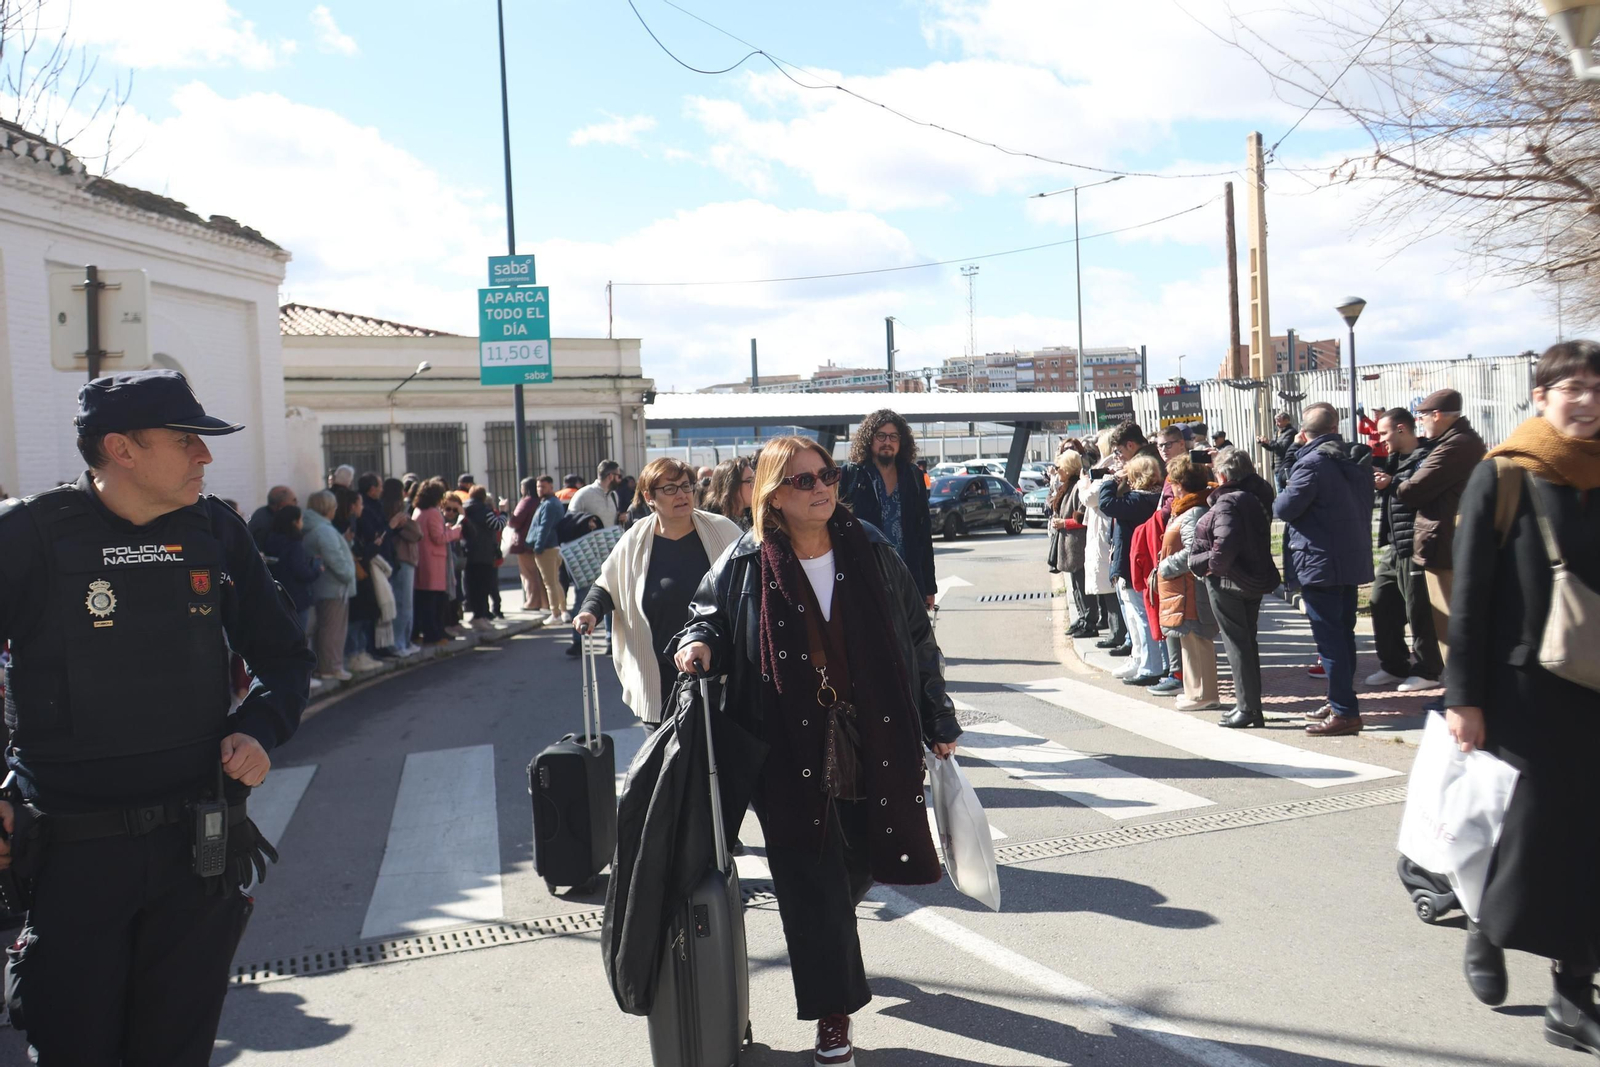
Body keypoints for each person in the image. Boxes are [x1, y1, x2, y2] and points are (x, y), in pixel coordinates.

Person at [0, 369, 311, 1064]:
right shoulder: (27, 535)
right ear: (122, 449)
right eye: (186, 440)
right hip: (72, 859)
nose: (205, 456)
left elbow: (286, 660)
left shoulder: (216, 531)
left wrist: (260, 728)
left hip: (194, 853)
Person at [674, 435, 959, 1067]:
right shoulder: (746, 561)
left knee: (854, 866)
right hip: (784, 745)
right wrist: (697, 643)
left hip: (873, 736)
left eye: (826, 475)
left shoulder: (873, 550)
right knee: (810, 882)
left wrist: (938, 714)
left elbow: (917, 636)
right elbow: (705, 616)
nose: (822, 487)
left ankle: (834, 936)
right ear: (773, 494)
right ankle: (833, 1020)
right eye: (804, 480)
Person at [1444, 340, 1600, 1050]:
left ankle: (1573, 995)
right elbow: (1470, 595)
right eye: (1573, 386)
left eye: (1599, 387)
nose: (1588, 399)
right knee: (1532, 833)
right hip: (1522, 693)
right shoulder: (1505, 474)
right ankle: (1488, 922)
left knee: (1591, 841)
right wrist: (1463, 697)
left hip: (1596, 690)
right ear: (1541, 395)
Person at [574, 458, 742, 724]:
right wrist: (589, 612)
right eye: (670, 489)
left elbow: (748, 584)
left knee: (714, 761)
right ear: (649, 497)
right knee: (661, 763)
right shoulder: (635, 538)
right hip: (657, 676)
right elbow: (607, 584)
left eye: (686, 486)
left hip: (716, 675)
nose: (682, 495)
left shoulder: (722, 530)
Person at [1273, 402, 1376, 736]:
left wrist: (1289, 460)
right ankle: (1339, 700)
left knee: (1330, 640)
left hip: (1320, 561)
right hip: (1348, 558)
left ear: (1304, 434)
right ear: (1335, 428)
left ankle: (1345, 711)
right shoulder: (1354, 459)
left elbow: (1284, 508)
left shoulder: (1311, 464)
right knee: (1343, 637)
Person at [1399, 388, 1487, 703]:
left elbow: (1412, 489)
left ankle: (1460, 696)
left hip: (1444, 541)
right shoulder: (1457, 441)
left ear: (1437, 415)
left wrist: (1398, 484)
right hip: (1444, 539)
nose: (1419, 424)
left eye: (1421, 417)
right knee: (1448, 624)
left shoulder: (1455, 445)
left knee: (1450, 626)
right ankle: (1458, 692)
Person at [1188, 448, 1279, 728]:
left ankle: (1248, 708)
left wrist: (1201, 563)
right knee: (1246, 643)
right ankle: (1251, 707)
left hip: (1229, 581)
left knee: (1238, 645)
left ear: (1224, 475)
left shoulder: (1229, 503)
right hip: (1249, 578)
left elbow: (1223, 549)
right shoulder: (1256, 494)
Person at [1369, 408, 1442, 692]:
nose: (1381, 438)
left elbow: (1423, 490)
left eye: (1385, 432)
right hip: (1394, 545)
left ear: (1401, 429)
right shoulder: (1392, 459)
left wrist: (1392, 482)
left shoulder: (1428, 456)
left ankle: (1427, 670)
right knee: (1381, 601)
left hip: (1416, 544)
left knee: (1418, 609)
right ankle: (1394, 665)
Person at [839, 409, 937, 608]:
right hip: (866, 579)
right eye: (881, 436)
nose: (887, 442)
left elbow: (923, 534)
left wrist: (929, 586)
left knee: (911, 638)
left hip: (908, 577)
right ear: (869, 439)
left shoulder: (913, 477)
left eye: (893, 436)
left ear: (901, 441)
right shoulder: (852, 475)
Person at [1155, 455, 1220, 712]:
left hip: (1190, 589)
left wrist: (1165, 567)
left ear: (1181, 483)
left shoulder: (1193, 511)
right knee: (1191, 641)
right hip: (1185, 588)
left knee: (1196, 640)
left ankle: (1203, 694)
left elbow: (1194, 550)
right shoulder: (1189, 508)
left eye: (1173, 480)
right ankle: (1197, 692)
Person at [1099, 453, 1166, 683]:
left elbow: (1106, 504)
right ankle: (1139, 659)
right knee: (1134, 617)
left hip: (1133, 566)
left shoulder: (1140, 500)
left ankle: (1151, 666)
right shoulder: (1149, 498)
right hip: (1131, 563)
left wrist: (1110, 481)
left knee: (1141, 617)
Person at [303, 490, 356, 678]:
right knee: (333, 630)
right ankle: (331, 668)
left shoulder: (312, 526)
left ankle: (324, 666)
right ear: (327, 508)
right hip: (334, 588)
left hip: (321, 587)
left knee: (324, 629)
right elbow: (335, 558)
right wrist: (350, 574)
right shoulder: (324, 530)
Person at [1081, 431, 1125, 652]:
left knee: (1111, 586)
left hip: (1106, 530)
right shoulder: (1106, 467)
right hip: (1102, 529)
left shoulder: (1109, 470)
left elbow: (1089, 497)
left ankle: (1118, 634)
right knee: (1108, 587)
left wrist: (1084, 482)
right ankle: (1116, 632)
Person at [412, 480, 463, 646]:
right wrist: (455, 532)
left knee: (424, 599)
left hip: (422, 558)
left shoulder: (418, 510)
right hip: (434, 560)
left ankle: (426, 632)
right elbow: (438, 538)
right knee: (434, 601)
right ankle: (434, 634)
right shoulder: (433, 512)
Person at [263, 505, 322, 635]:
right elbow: (301, 571)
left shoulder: (270, 540)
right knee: (299, 635)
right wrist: (317, 569)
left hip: (278, 595)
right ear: (295, 522)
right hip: (297, 597)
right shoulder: (295, 544)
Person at [380, 478, 422, 655]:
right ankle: (397, 643)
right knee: (402, 603)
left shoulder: (397, 509)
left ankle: (404, 641)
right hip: (401, 558)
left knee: (406, 603)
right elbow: (416, 533)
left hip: (405, 558)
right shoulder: (392, 510)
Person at [462, 484, 505, 631]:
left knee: (472, 586)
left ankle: (477, 616)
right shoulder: (485, 511)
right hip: (484, 553)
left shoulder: (464, 509)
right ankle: (480, 616)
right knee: (483, 586)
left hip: (468, 552)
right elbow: (498, 525)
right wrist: (504, 512)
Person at [528, 475, 568, 624]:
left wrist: (538, 546)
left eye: (543, 487)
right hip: (553, 546)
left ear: (551, 487)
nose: (539, 489)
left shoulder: (549, 504)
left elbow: (544, 527)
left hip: (547, 548)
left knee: (550, 583)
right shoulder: (551, 502)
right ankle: (562, 612)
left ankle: (555, 614)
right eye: (538, 486)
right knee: (555, 582)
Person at [508, 477, 546, 615]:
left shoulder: (526, 502)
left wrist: (507, 512)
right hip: (538, 542)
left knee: (528, 574)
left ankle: (532, 602)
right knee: (540, 574)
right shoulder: (540, 501)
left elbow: (515, 521)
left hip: (524, 543)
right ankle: (544, 602)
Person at [569, 459, 624, 529]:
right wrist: (586, 524)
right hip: (590, 539)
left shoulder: (614, 495)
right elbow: (570, 520)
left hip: (611, 539)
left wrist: (622, 518)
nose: (620, 480)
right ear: (610, 476)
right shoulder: (583, 494)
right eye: (619, 476)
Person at [703, 456, 755, 528]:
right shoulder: (710, 523)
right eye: (750, 481)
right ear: (732, 486)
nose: (755, 486)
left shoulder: (754, 516)